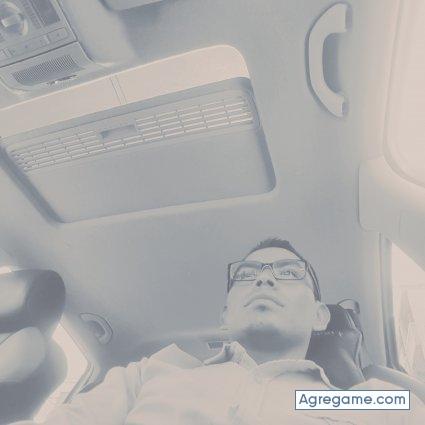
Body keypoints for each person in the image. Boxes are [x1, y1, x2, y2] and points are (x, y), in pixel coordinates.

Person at [14, 238, 424, 424]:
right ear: (225, 315)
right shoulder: (148, 376)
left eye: (289, 272)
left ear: (320, 316)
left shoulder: (372, 399)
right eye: (246, 274)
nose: (264, 278)